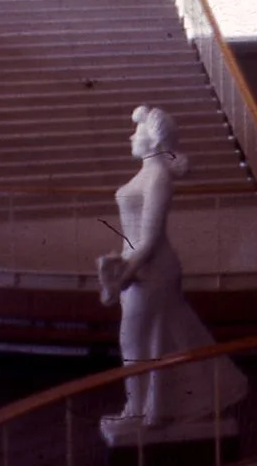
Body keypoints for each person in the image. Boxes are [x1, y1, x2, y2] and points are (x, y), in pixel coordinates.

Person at [97, 105, 246, 444]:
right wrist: (121, 269)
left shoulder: (159, 176)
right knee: (163, 338)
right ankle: (157, 408)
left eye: (137, 133)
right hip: (138, 267)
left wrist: (123, 276)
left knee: (136, 340)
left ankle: (143, 411)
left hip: (153, 270)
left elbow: (149, 239)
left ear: (152, 141)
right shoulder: (148, 173)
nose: (131, 136)